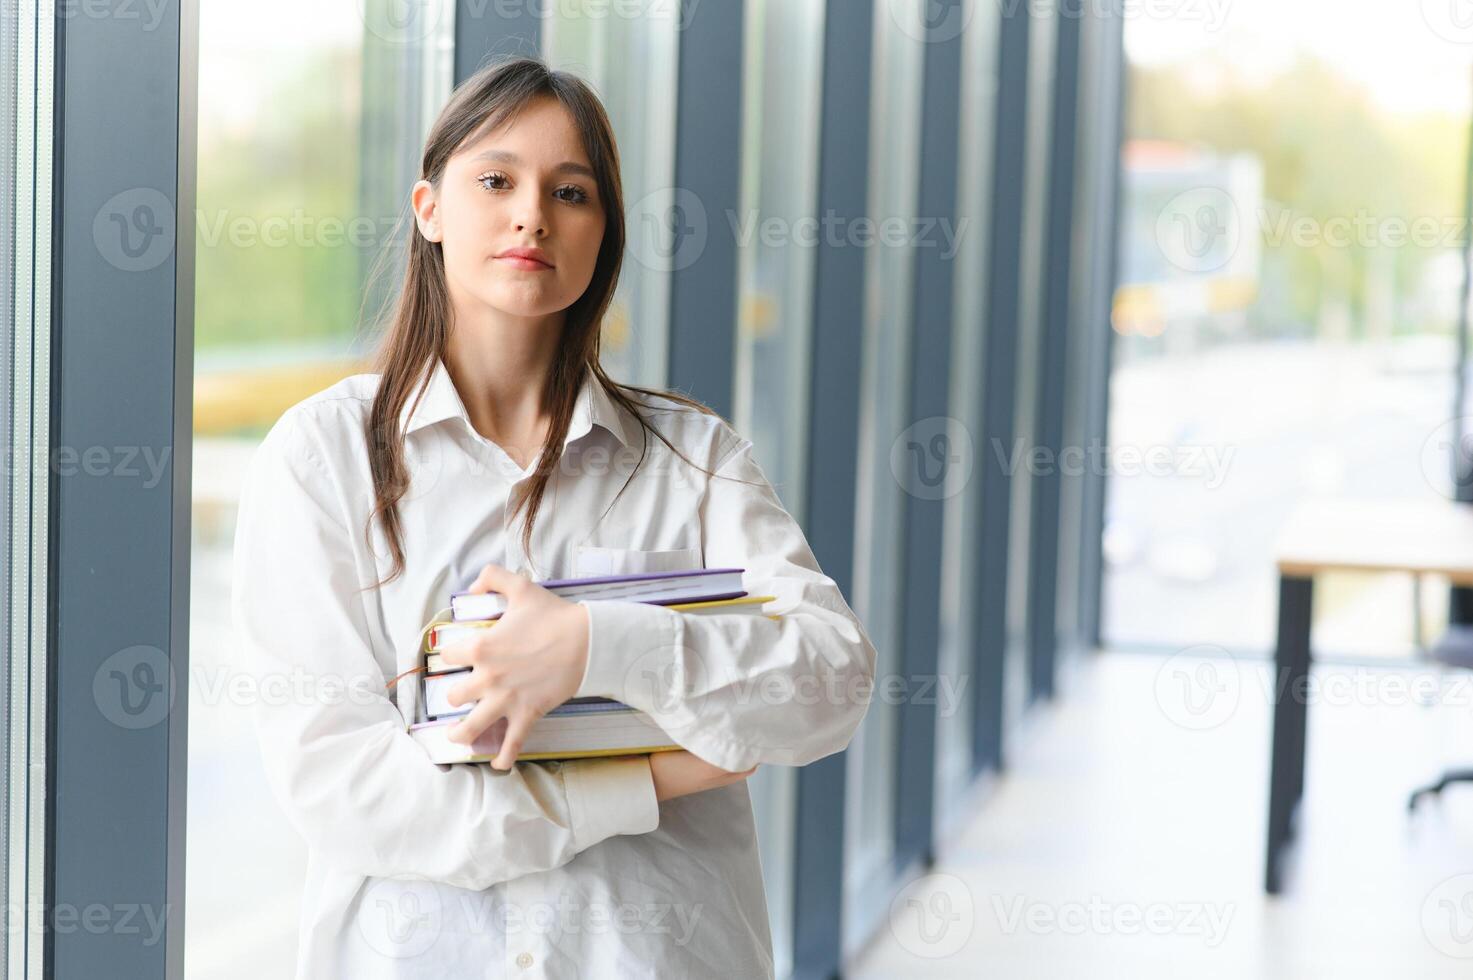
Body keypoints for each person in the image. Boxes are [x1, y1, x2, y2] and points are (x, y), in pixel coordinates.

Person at [230, 55, 877, 979]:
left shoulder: (692, 457)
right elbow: (345, 789)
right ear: (429, 210)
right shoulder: (322, 457)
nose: (531, 213)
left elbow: (830, 685)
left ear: (603, 233)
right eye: (495, 180)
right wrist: (643, 779)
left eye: (570, 192)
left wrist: (596, 645)